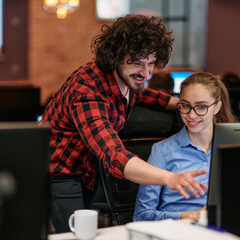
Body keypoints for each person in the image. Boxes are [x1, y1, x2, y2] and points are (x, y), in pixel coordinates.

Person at [39, 15, 207, 233]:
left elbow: (143, 94)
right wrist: (170, 178)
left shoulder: (124, 78)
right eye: (137, 63)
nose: (146, 73)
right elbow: (114, 155)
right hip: (58, 171)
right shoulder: (87, 92)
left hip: (86, 169)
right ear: (116, 56)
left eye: (151, 63)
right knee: (76, 235)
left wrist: (181, 104)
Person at [134, 72, 238, 222]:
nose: (191, 115)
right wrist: (188, 216)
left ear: (217, 107)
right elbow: (141, 216)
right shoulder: (163, 150)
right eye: (185, 106)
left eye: (201, 107)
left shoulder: (233, 147)